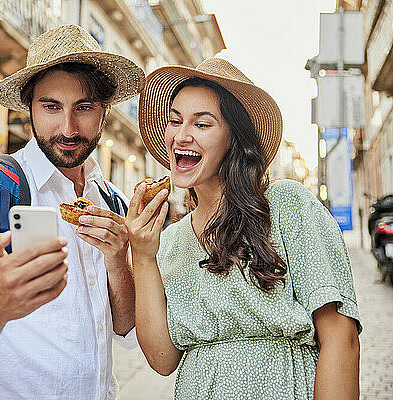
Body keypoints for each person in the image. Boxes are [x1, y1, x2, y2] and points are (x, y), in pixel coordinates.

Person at [0, 24, 145, 400]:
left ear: (104, 111)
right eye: (51, 107)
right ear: (29, 109)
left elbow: (125, 331)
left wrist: (120, 261)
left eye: (84, 107)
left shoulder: (111, 200)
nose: (67, 127)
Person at [126, 58, 361, 399]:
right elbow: (163, 359)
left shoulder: (286, 205)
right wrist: (144, 257)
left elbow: (342, 339)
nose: (181, 135)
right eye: (175, 121)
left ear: (234, 138)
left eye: (202, 124)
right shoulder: (172, 240)